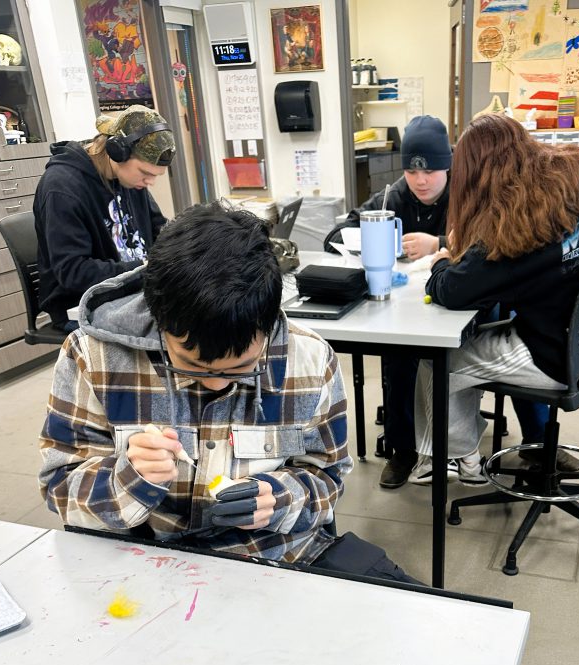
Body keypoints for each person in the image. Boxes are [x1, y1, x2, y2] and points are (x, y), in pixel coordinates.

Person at [38, 202, 417, 585]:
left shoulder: (310, 360)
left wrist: (278, 498)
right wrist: (129, 478)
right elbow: (60, 488)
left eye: (241, 367)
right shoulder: (94, 356)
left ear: (268, 325)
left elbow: (327, 475)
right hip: (145, 569)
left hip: (273, 561)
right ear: (158, 319)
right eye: (191, 364)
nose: (217, 383)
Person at [410, 114, 579, 484]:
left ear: (480, 172)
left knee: (438, 361)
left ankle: (458, 459)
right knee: (488, 329)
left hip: (554, 354)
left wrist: (440, 262)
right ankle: (519, 444)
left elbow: (453, 291)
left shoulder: (516, 225)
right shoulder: (570, 186)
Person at [325, 115, 451, 488]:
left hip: (454, 301)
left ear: (447, 165)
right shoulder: (393, 195)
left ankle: (452, 446)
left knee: (441, 364)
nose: (421, 181)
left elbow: (489, 239)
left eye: (430, 170)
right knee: (397, 359)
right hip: (406, 305)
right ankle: (402, 451)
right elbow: (337, 232)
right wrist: (375, 238)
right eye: (413, 172)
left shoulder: (467, 193)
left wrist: (440, 243)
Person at [34, 104, 175, 334]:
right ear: (117, 152)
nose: (150, 182)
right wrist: (144, 268)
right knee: (179, 326)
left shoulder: (129, 179)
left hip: (131, 288)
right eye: (146, 173)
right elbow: (73, 272)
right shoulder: (62, 188)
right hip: (83, 301)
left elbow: (159, 229)